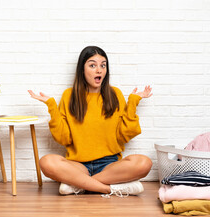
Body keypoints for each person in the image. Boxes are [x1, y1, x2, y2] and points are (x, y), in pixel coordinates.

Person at [28, 46, 153, 197]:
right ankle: (110, 189)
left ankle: (79, 185)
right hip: (78, 165)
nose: (99, 70)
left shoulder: (115, 95)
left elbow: (124, 135)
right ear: (82, 70)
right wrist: (52, 107)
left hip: (110, 165)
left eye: (103, 65)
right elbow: (63, 138)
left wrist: (133, 102)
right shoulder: (69, 96)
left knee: (144, 163)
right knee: (46, 162)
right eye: (92, 65)